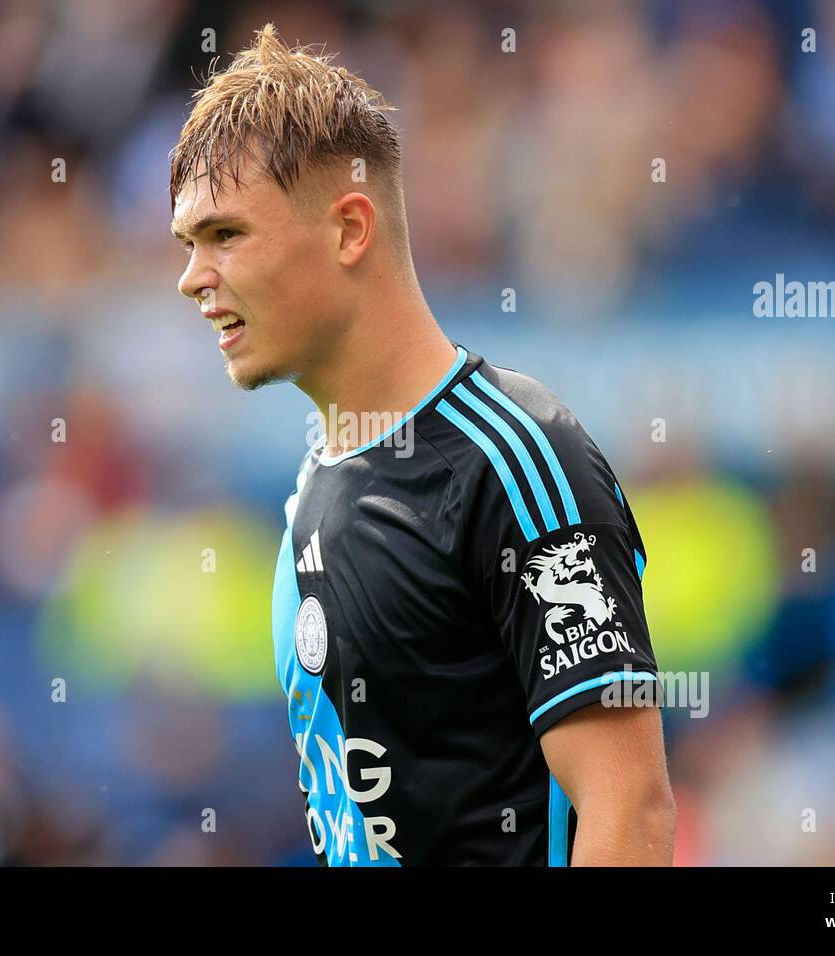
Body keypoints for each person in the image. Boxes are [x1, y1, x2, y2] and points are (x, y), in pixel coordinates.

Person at [169, 24, 674, 866]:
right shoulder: (313, 493)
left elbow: (632, 811)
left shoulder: (515, 459)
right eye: (189, 245)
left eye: (226, 235)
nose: (192, 276)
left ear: (349, 230)